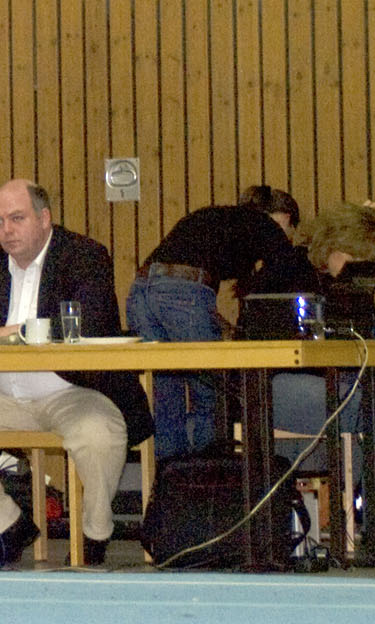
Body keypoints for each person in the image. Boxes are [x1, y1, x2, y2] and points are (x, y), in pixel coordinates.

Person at [0, 180, 153, 567]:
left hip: (71, 390)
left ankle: (95, 533)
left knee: (99, 433)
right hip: (2, 391)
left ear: (44, 218)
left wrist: (12, 332)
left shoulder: (84, 255)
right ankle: (6, 525)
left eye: (17, 218)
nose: (7, 230)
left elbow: (90, 323)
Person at [262, 203, 375, 526]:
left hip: (337, 382)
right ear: (330, 247)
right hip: (280, 386)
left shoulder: (350, 281)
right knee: (374, 392)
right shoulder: (289, 269)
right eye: (353, 256)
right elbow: (271, 335)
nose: (359, 267)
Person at [126, 187, 306, 458]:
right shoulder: (261, 224)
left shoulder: (214, 221)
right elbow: (285, 269)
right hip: (182, 291)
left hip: (141, 289)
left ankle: (170, 477)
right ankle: (207, 473)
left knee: (165, 394)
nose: (285, 236)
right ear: (274, 217)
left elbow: (184, 294)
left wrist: (221, 324)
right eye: (286, 226)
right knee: (212, 390)